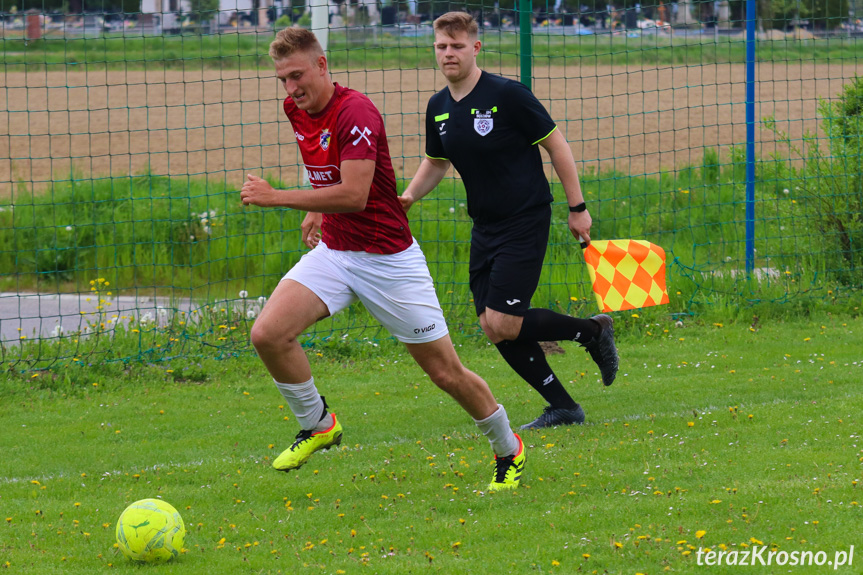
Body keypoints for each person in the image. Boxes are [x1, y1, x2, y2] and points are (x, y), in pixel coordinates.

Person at [240, 27, 525, 490]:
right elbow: (328, 172)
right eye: (282, 80)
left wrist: (278, 198)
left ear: (322, 65)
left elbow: (354, 194)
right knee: (268, 334)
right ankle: (318, 423)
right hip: (335, 251)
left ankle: (508, 448)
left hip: (388, 260)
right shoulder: (296, 108)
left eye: (297, 76)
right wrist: (314, 206)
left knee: (445, 373)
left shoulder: (357, 112)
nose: (291, 89)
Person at [400, 11, 619, 430]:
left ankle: (593, 332)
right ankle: (564, 407)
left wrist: (577, 207)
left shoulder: (508, 94)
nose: (449, 54)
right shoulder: (439, 106)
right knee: (492, 326)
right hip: (485, 226)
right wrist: (409, 195)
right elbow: (436, 161)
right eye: (442, 46)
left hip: (525, 218)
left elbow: (558, 146)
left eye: (458, 46)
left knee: (504, 321)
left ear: (475, 47)